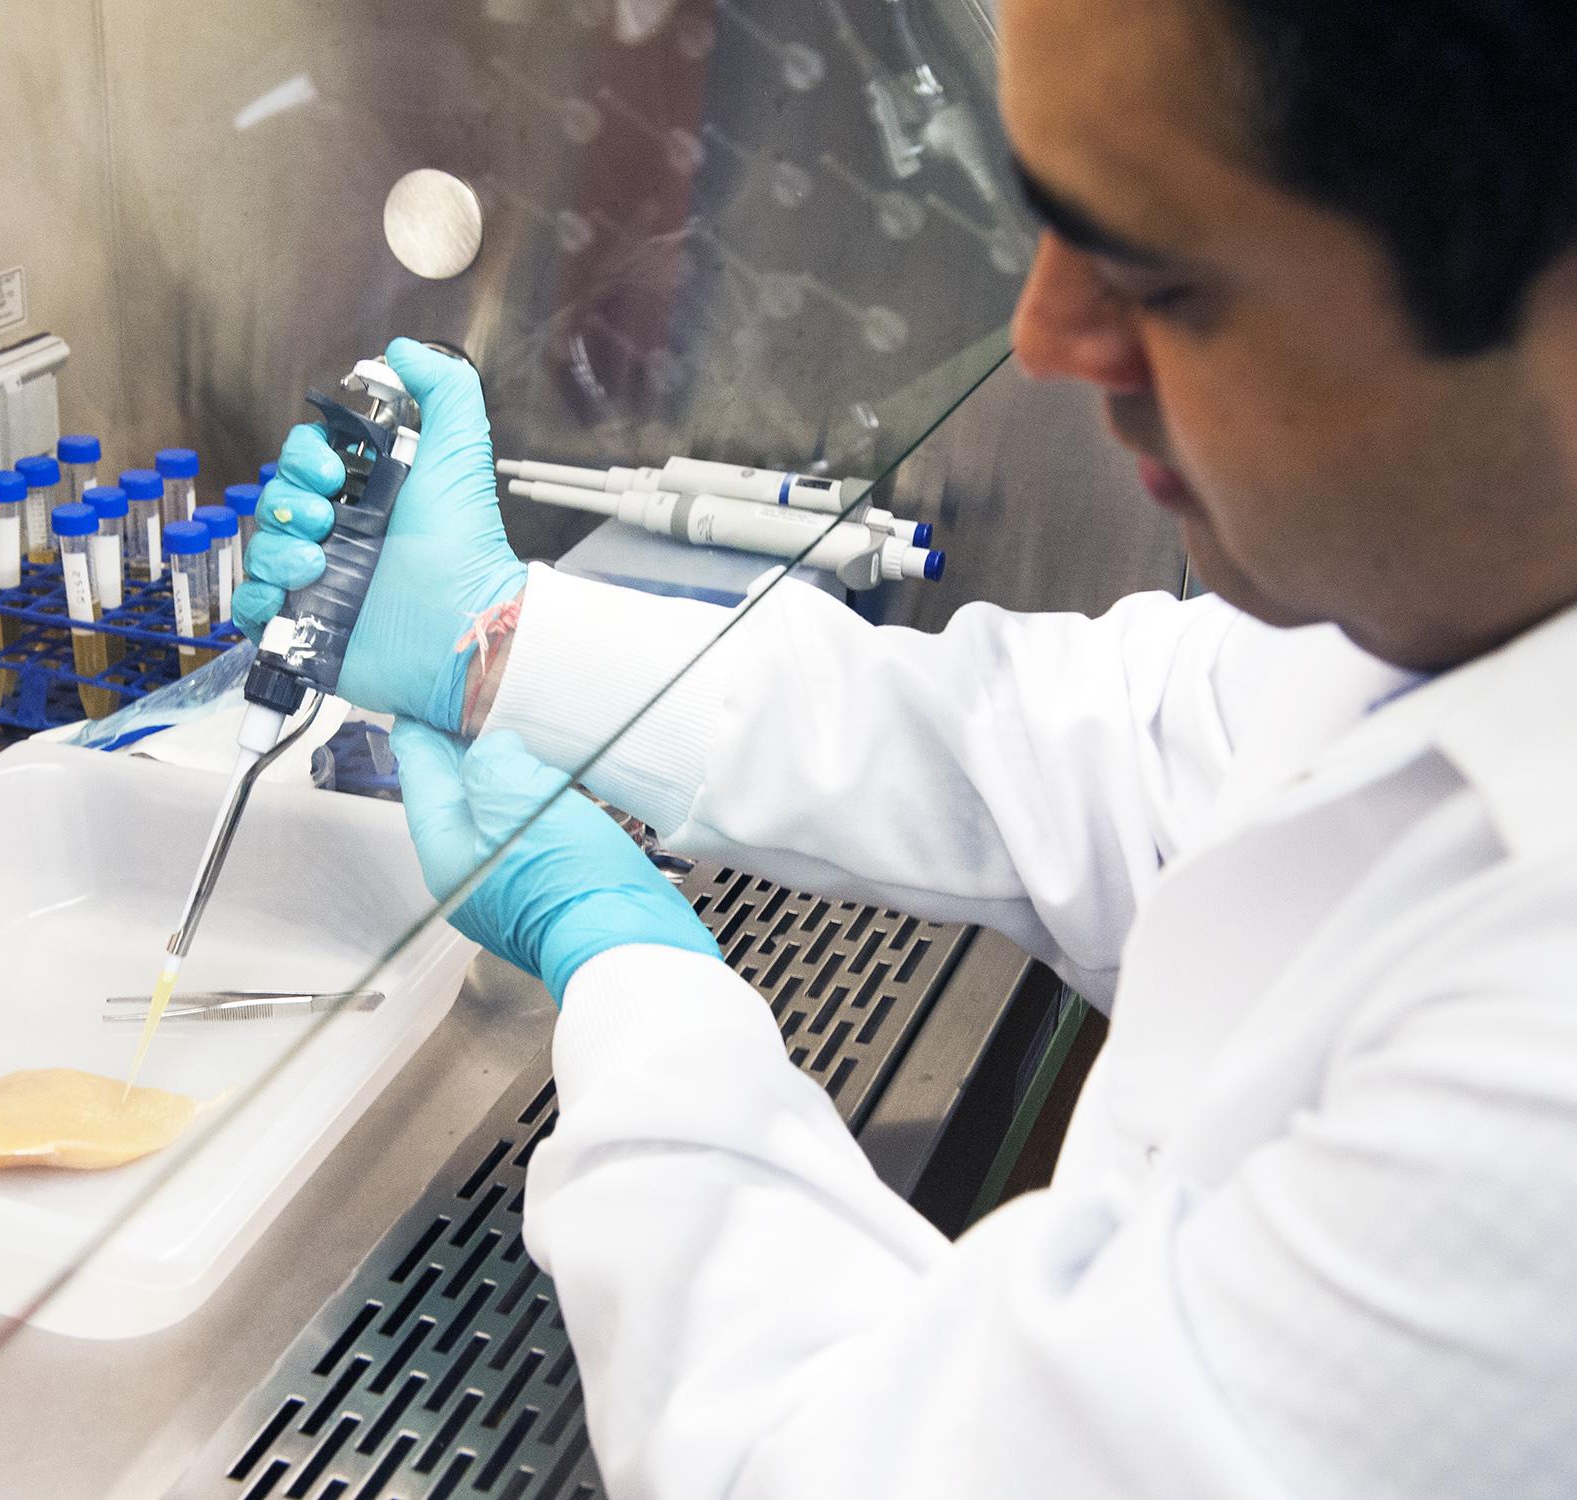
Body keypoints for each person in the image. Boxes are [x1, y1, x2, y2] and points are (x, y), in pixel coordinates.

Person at [235, 0, 1577, 1491]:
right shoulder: (1471, 593)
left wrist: (635, 980)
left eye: (1159, 271)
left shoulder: (1538, 1086)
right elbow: (1096, 750)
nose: (1045, 339)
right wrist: (504, 640)